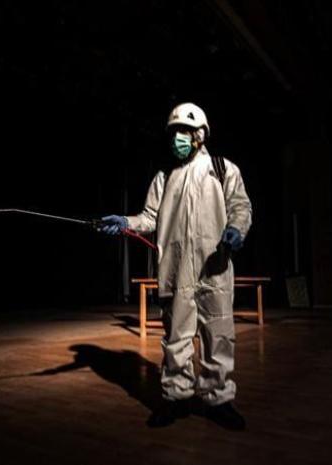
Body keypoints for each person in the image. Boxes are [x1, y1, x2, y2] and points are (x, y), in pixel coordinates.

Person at [100, 103, 252, 430]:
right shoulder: (164, 177)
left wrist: (236, 229)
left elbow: (240, 206)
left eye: (183, 132)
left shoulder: (222, 169)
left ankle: (219, 400)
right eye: (173, 133)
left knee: (219, 336)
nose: (177, 139)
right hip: (175, 269)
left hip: (214, 268)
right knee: (176, 338)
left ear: (200, 135)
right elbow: (150, 218)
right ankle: (176, 397)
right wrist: (125, 221)